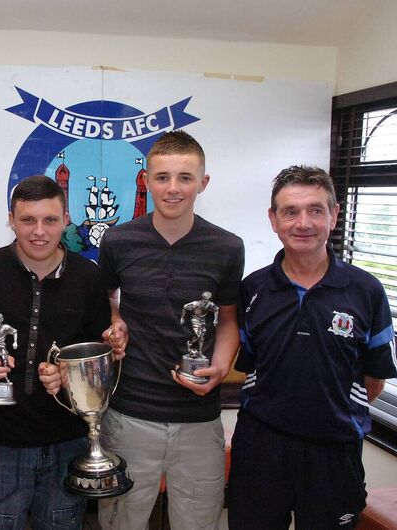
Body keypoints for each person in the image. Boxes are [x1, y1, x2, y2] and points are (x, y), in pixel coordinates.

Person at [78, 130, 244, 530]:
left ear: (202, 183)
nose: (173, 188)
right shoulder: (119, 241)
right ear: (147, 180)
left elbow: (229, 320)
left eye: (185, 178)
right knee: (120, 523)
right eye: (163, 177)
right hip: (130, 415)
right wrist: (115, 321)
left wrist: (220, 368)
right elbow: (109, 301)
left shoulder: (227, 247)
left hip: (200, 421)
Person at [227, 166, 397, 529]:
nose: (303, 222)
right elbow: (251, 365)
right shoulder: (253, 290)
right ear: (274, 220)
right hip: (261, 448)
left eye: (316, 210)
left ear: (334, 215)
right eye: (290, 211)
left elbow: (374, 381)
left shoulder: (366, 291)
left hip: (333, 453)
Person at [0, 175, 125, 530]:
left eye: (50, 220)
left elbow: (99, 352)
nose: (39, 231)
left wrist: (71, 371)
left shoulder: (88, 277)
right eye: (28, 220)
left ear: (65, 220)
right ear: (11, 219)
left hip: (68, 438)